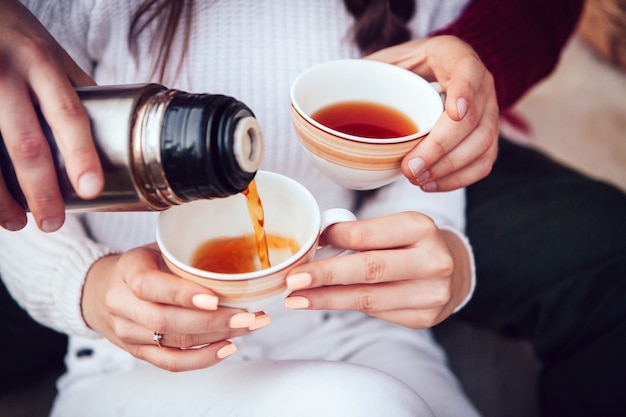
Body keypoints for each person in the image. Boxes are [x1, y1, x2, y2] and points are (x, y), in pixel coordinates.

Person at [0, 1, 498, 416]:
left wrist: (450, 259)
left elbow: (418, 154)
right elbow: (17, 186)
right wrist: (92, 288)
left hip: (351, 330)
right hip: (140, 352)